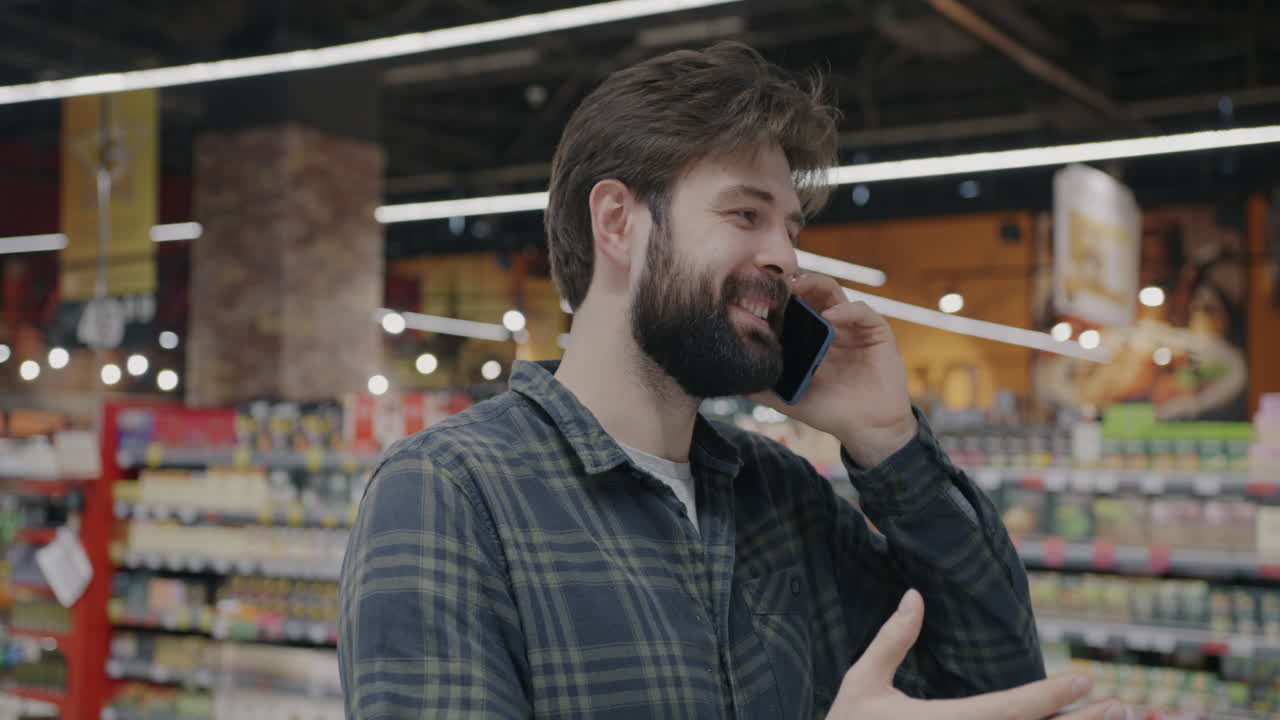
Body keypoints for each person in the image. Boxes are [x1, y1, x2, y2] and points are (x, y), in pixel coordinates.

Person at [338, 43, 1129, 720]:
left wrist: (890, 444)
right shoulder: (450, 495)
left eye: (790, 226)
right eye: (746, 215)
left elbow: (998, 682)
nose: (785, 256)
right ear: (616, 223)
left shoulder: (782, 497)